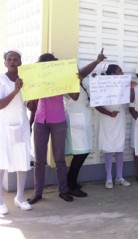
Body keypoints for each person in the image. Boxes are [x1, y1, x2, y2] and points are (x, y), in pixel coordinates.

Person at [28, 53, 79, 204]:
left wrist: (74, 80)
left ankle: (63, 191)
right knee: (39, 160)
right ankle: (38, 193)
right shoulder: (38, 79)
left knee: (59, 159)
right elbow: (32, 106)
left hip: (58, 121)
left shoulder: (62, 78)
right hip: (40, 121)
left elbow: (75, 97)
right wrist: (30, 123)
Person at [65, 49, 106, 197]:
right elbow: (74, 97)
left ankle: (71, 182)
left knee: (83, 152)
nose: (77, 72)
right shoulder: (68, 84)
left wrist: (95, 78)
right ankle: (70, 185)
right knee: (80, 154)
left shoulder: (82, 82)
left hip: (84, 120)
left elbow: (91, 93)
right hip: (75, 121)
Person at [0, 50, 32, 214]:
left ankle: (19, 197)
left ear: (20, 62)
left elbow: (31, 105)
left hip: (21, 124)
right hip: (4, 125)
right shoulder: (1, 79)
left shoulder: (26, 79)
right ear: (5, 62)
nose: (12, 62)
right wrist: (15, 91)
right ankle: (0, 202)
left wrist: (35, 93)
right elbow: (0, 104)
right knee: (2, 162)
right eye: (9, 59)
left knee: (22, 160)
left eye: (16, 59)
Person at [95, 64, 131, 189]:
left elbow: (130, 99)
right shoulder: (103, 85)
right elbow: (97, 105)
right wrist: (109, 113)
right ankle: (109, 178)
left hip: (119, 117)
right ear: (112, 74)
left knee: (119, 147)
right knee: (109, 147)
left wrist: (130, 88)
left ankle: (119, 177)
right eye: (119, 71)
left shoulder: (123, 85)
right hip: (107, 118)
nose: (122, 73)